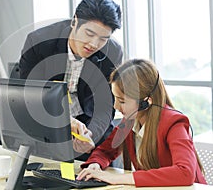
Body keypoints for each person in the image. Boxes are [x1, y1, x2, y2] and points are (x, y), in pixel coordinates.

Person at [19, 0, 123, 158]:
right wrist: (63, 121)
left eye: (103, 39)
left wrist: (91, 134)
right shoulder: (39, 42)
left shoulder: (113, 52)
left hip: (87, 122)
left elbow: (104, 106)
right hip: (46, 122)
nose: (94, 44)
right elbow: (29, 95)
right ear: (75, 21)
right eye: (89, 33)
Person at [77, 59, 207, 187]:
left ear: (145, 102)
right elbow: (105, 151)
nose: (116, 106)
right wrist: (95, 165)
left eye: (122, 101)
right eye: (115, 98)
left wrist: (117, 178)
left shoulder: (175, 123)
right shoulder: (129, 123)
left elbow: (185, 172)